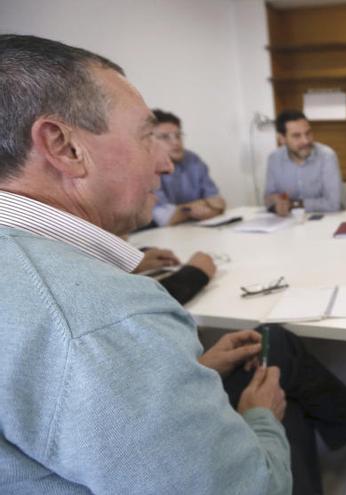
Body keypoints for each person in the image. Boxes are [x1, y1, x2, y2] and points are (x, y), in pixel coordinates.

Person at [0, 34, 291, 493]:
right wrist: (261, 419)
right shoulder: (107, 319)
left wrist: (184, 370)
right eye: (147, 136)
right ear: (64, 146)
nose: (166, 164)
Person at [133, 246, 346, 494]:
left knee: (273, 358)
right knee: (279, 368)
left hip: (160, 396)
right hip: (161, 423)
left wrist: (203, 366)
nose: (166, 174)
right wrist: (261, 420)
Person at [150, 109, 226, 226]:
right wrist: (204, 204)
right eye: (165, 137)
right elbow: (165, 218)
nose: (175, 142)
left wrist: (184, 210)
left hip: (196, 229)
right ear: (149, 141)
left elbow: (219, 202)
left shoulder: (193, 159)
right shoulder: (147, 167)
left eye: (178, 135)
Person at [265, 110, 342, 215]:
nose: (305, 141)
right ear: (282, 139)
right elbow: (268, 198)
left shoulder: (326, 156)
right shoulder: (274, 158)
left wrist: (294, 204)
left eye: (308, 133)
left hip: (324, 220)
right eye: (297, 136)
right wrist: (275, 201)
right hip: (287, 222)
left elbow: (333, 204)